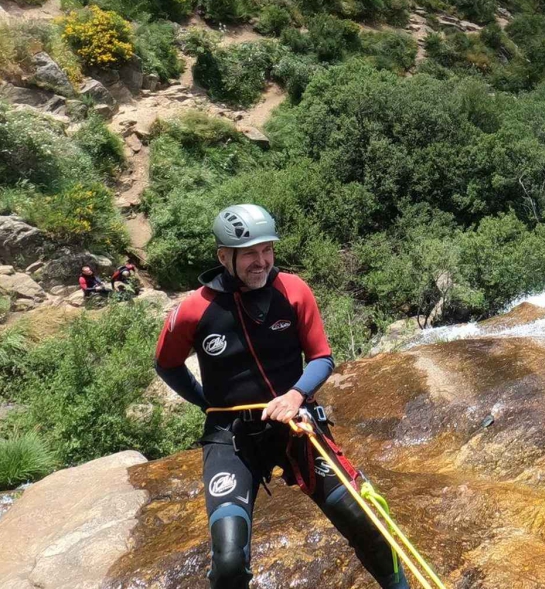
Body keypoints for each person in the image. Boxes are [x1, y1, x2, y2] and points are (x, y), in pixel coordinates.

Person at [154, 204, 408, 589]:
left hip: (296, 424)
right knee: (227, 562)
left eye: (267, 250)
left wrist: (296, 395)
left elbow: (322, 357)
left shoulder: (293, 290)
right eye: (251, 253)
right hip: (232, 438)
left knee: (364, 520)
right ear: (225, 256)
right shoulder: (194, 311)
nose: (262, 261)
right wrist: (207, 402)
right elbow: (167, 365)